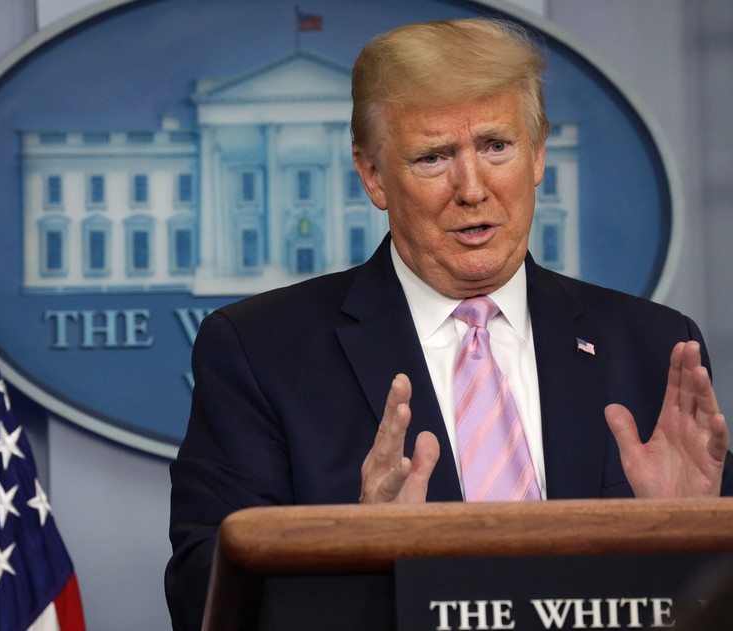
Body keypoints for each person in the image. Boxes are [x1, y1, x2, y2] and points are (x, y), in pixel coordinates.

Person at [165, 17, 733, 631]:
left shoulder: (652, 346)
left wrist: (691, 533)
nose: (472, 188)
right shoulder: (259, 350)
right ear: (374, 176)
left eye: (496, 146)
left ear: (538, 154)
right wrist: (352, 549)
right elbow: (202, 596)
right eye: (433, 157)